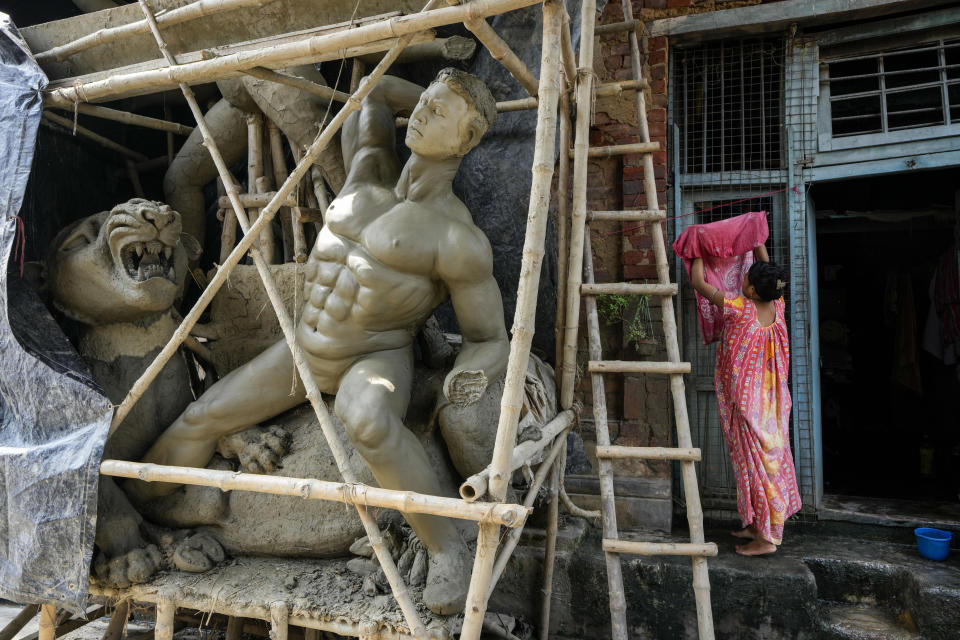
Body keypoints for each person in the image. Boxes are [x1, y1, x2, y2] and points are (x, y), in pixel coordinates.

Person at [129, 69, 510, 613]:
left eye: (441, 111)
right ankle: (132, 502)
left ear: (467, 140)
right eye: (423, 99)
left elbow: (489, 336)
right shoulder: (366, 171)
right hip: (305, 348)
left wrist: (467, 374)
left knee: (370, 421)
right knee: (202, 418)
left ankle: (448, 547)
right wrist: (422, 92)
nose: (422, 111)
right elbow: (372, 91)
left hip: (374, 354)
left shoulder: (457, 237)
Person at [690, 245, 802, 556]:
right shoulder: (777, 305)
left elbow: (699, 282)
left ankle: (767, 540)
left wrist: (699, 248)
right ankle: (756, 524)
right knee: (756, 468)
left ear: (752, 288)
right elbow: (769, 272)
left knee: (760, 470)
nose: (742, 279)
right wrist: (755, 242)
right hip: (772, 404)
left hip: (750, 408)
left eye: (747, 277)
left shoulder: (738, 308)